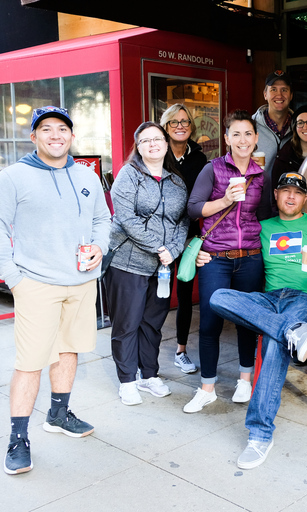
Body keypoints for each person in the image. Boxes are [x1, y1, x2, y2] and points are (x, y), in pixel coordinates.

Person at [201, 172, 307, 469]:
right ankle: (291, 331)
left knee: (276, 344)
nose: (291, 196)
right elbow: (224, 241)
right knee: (218, 298)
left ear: (305, 198)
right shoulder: (260, 228)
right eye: (285, 191)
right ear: (275, 196)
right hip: (270, 300)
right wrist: (202, 254)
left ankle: (260, 435)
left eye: (297, 193)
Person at [0, 106, 111, 474]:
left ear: (71, 136)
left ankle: (58, 414)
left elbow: (101, 219)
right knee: (30, 363)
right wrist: (13, 279)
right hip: (36, 284)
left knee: (69, 350)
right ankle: (18, 439)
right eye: (45, 129)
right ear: (34, 137)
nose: (55, 135)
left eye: (62, 129)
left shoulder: (87, 176)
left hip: (81, 282)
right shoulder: (13, 177)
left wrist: (100, 245)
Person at [184, 110, 265, 413]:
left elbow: (265, 215)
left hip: (251, 257)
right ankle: (207, 388)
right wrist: (225, 200)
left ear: (255, 139)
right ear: (227, 138)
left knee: (247, 321)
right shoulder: (213, 169)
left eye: (248, 134)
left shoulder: (260, 174)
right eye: (236, 134)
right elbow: (193, 209)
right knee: (209, 322)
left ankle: (245, 379)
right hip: (216, 257)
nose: (243, 140)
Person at [104, 122, 189, 405]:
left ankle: (149, 374)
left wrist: (173, 250)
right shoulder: (128, 175)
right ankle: (127, 380)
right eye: (145, 141)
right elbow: (125, 219)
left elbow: (183, 220)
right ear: (138, 147)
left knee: (152, 324)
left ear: (166, 143)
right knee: (126, 323)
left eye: (157, 139)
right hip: (128, 264)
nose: (152, 144)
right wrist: (159, 247)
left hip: (163, 267)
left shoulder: (176, 182)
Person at [160, 103, 208, 374]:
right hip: (160, 238)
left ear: (191, 127)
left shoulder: (199, 160)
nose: (180, 126)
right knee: (157, 297)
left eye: (185, 122)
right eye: (174, 122)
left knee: (186, 293)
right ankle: (148, 352)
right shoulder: (158, 153)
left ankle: (181, 350)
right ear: (166, 127)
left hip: (189, 236)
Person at [253, 70, 294, 219]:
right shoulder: (249, 127)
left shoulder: (301, 128)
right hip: (256, 206)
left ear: (291, 95)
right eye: (273, 89)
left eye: (284, 90)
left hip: (291, 205)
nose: (279, 95)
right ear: (265, 94)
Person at [271, 104, 307, 203]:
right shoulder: (285, 156)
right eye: (300, 123)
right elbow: (277, 195)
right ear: (295, 127)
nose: (305, 127)